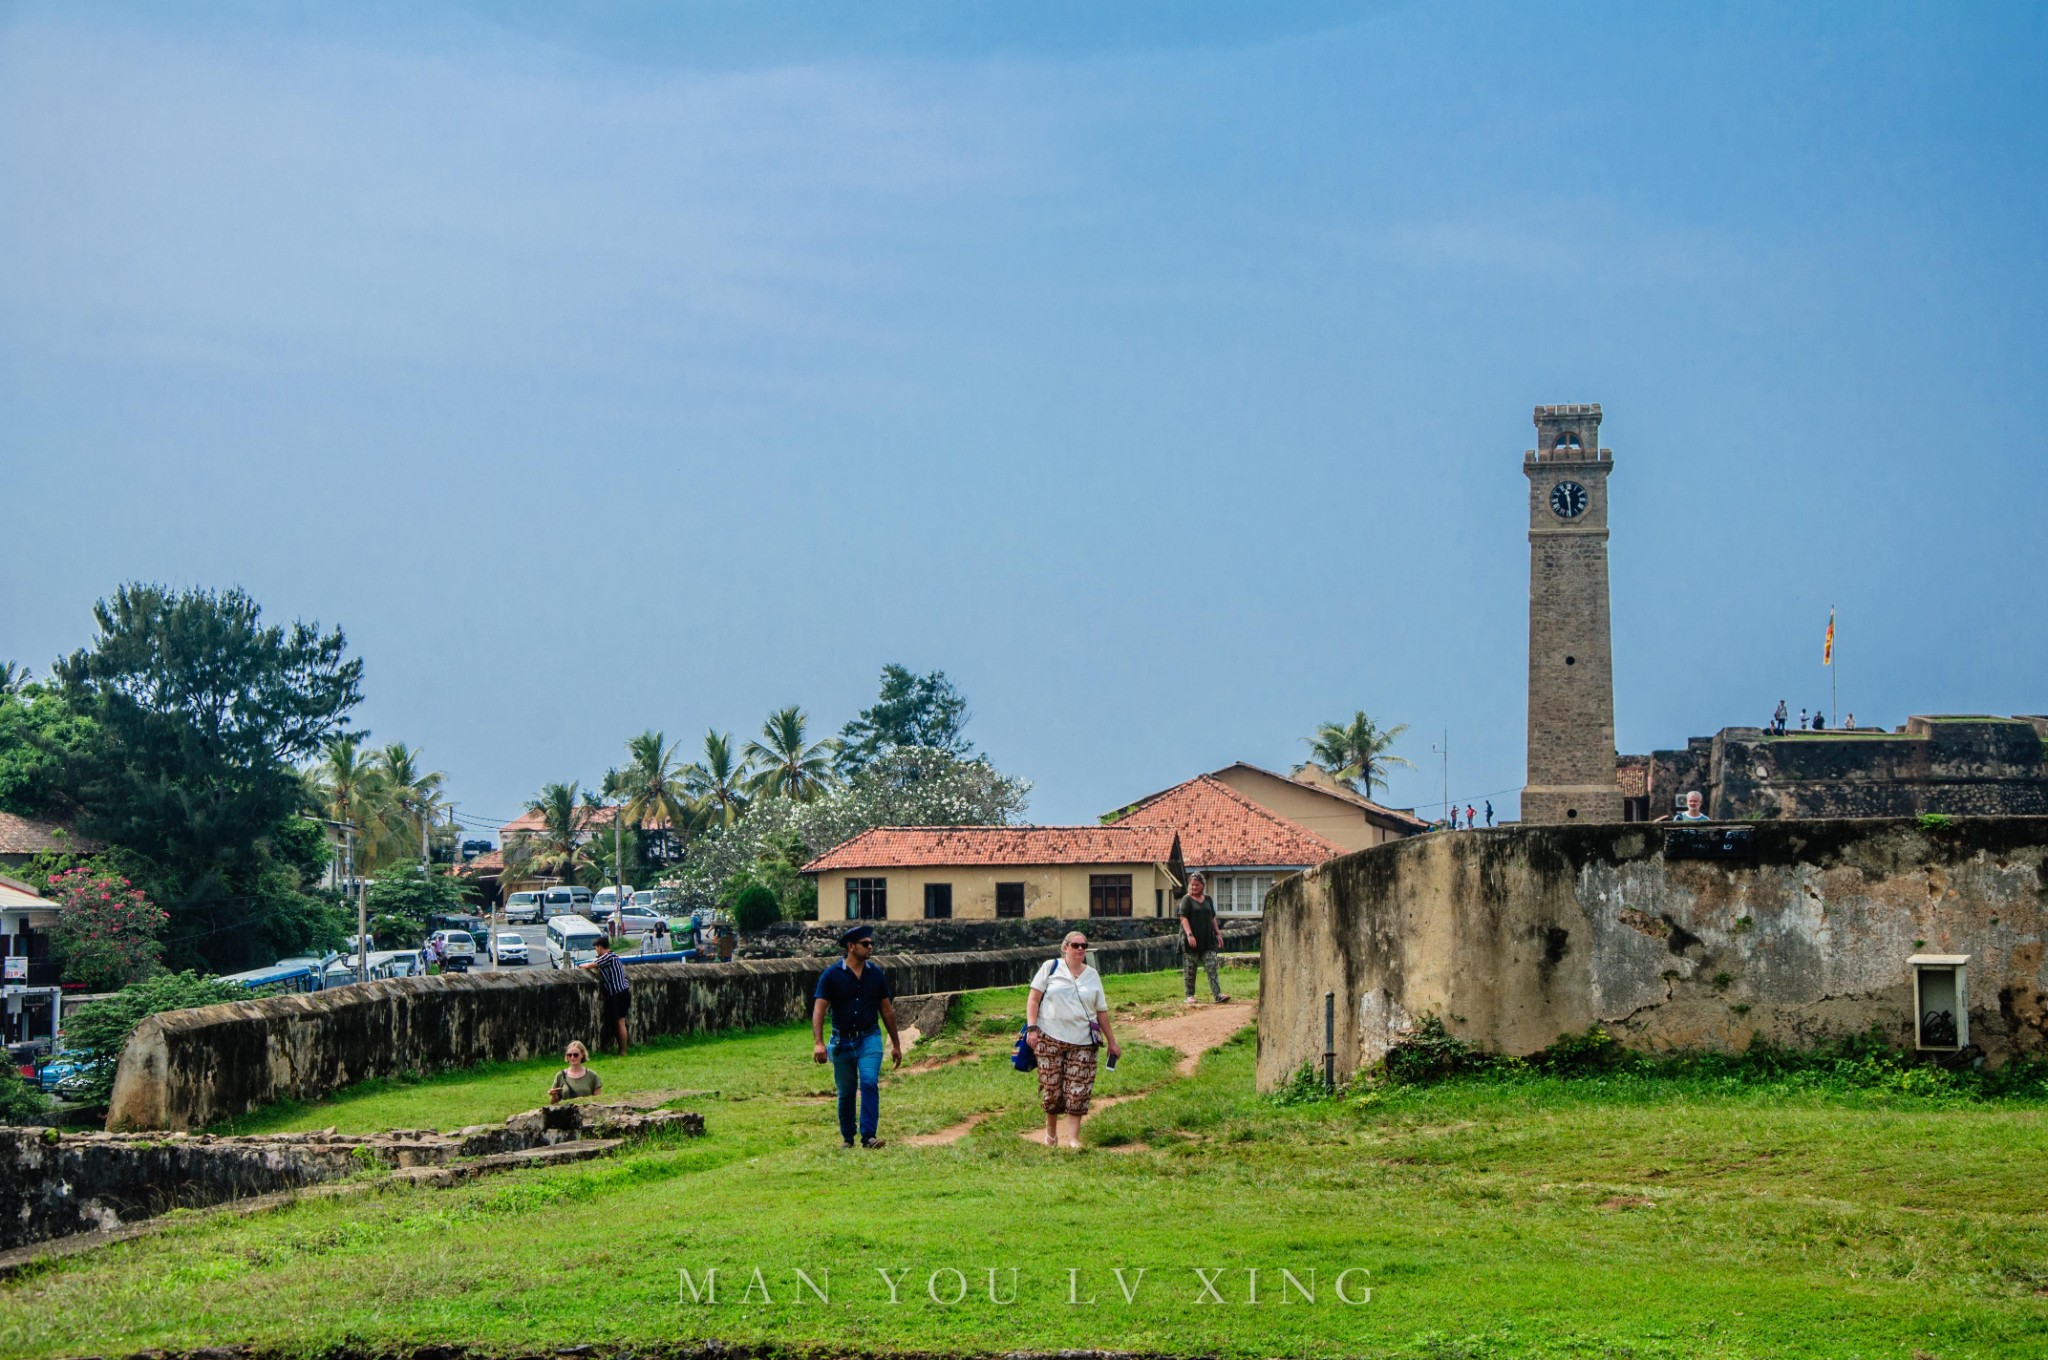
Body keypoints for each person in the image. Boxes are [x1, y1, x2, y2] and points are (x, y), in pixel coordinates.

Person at [1025, 932, 1122, 1150]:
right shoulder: (1050, 968)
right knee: (1051, 1089)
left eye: (1084, 946)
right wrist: (1032, 1027)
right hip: (1050, 1035)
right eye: (1075, 945)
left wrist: (1112, 1042)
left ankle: (1073, 1138)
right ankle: (1051, 1134)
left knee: (1079, 1089)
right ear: (1065, 947)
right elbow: (1033, 998)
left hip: (1083, 1040)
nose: (1080, 949)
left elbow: (1101, 1011)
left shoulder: (1092, 975)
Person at [811, 924, 902, 1148]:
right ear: (851, 947)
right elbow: (819, 1009)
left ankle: (869, 1135)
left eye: (871, 943)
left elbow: (886, 1009)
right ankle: (848, 1137)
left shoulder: (876, 974)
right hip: (842, 1039)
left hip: (869, 1037)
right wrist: (819, 1042)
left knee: (869, 1082)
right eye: (865, 944)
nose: (870, 947)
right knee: (847, 1091)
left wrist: (896, 1044)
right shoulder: (831, 975)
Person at [1177, 873, 1228, 1005]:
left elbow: (1212, 917)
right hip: (1191, 941)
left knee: (1212, 966)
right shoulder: (1186, 900)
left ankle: (1218, 995)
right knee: (1190, 970)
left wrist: (1217, 933)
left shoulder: (1208, 900)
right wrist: (1189, 935)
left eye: (1197, 885)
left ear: (1203, 885)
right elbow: (1183, 918)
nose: (1194, 887)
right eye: (1192, 885)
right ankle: (1189, 995)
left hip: (1207, 940)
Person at [580, 936, 632, 1056]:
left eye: (596, 948)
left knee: (620, 1022)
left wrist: (580, 966)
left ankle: (623, 1051)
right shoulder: (613, 956)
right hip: (620, 992)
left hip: (618, 993)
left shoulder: (608, 957)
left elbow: (589, 965)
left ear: (600, 947)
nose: (596, 951)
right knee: (617, 1022)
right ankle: (620, 1049)